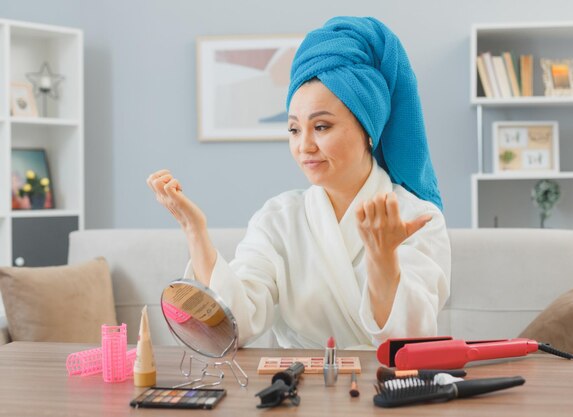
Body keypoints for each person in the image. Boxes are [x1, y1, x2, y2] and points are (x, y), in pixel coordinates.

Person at [147, 16, 450, 349]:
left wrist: (383, 262)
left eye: (321, 127)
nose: (304, 146)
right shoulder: (278, 219)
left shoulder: (418, 219)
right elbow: (237, 325)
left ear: (368, 129)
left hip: (386, 391)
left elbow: (413, 345)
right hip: (297, 392)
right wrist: (195, 230)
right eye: (294, 129)